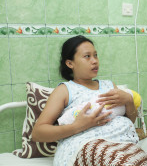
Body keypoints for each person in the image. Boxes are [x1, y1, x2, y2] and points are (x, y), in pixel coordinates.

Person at [32, 35, 139, 166]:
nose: (94, 61)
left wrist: (129, 101)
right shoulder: (65, 90)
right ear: (70, 63)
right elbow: (38, 133)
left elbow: (130, 121)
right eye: (87, 56)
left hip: (122, 145)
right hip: (89, 148)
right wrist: (77, 126)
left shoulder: (110, 86)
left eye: (95, 55)